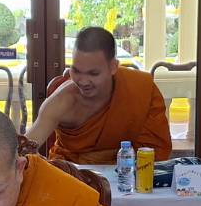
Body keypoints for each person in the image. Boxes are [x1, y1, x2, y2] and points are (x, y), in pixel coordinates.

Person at [23, 27, 172, 163]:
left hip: (129, 175)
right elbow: (23, 149)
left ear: (113, 67)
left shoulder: (140, 88)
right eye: (76, 71)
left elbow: (155, 151)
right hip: (73, 176)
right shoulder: (61, 101)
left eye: (93, 73)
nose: (83, 81)